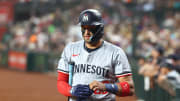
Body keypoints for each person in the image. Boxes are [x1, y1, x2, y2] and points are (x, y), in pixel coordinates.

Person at [57, 9, 134, 101]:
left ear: (100, 28)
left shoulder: (116, 53)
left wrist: (106, 87)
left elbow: (129, 88)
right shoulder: (70, 49)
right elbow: (61, 82)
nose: (86, 32)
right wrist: (71, 90)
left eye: (91, 28)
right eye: (83, 28)